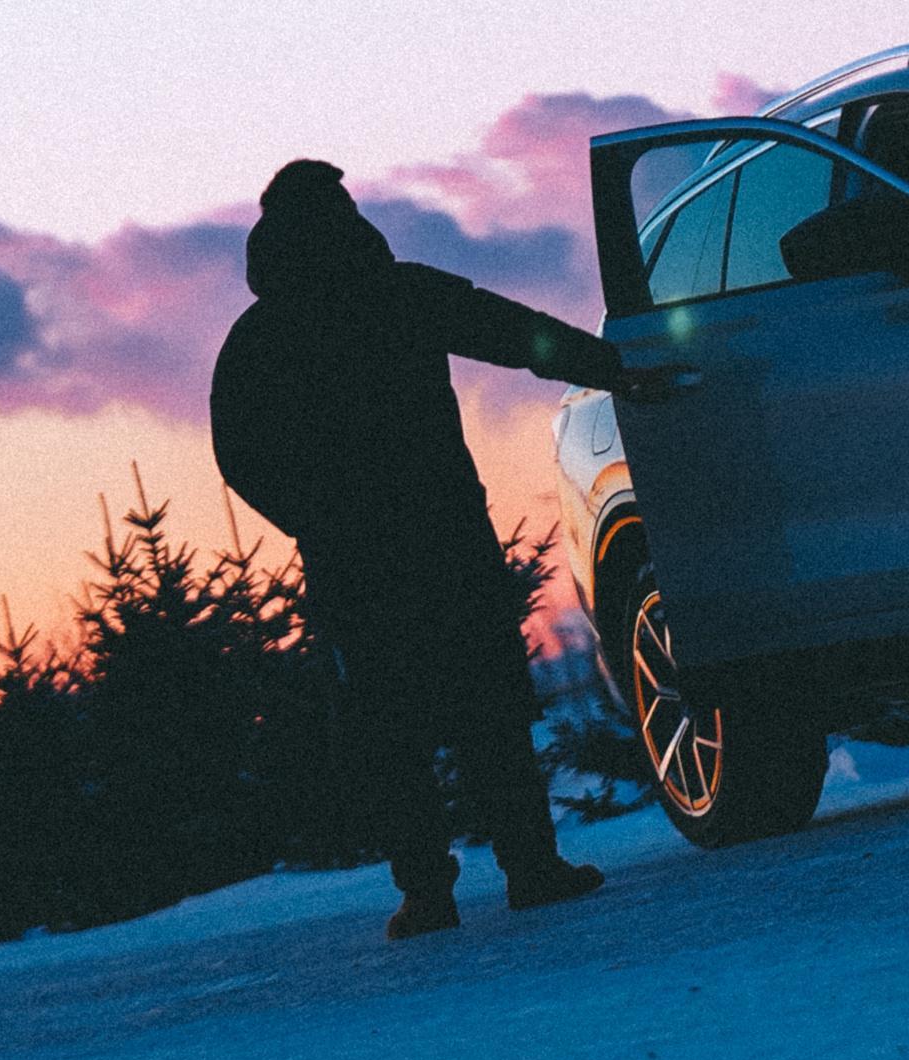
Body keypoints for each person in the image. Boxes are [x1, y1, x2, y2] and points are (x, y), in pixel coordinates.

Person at [210, 158, 621, 941]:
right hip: (443, 538)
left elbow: (239, 454)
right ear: (345, 215)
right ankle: (529, 868)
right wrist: (615, 367)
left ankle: (427, 892)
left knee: (387, 729)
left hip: (354, 559)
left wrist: (311, 517)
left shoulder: (259, 335)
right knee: (489, 709)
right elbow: (519, 336)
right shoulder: (398, 292)